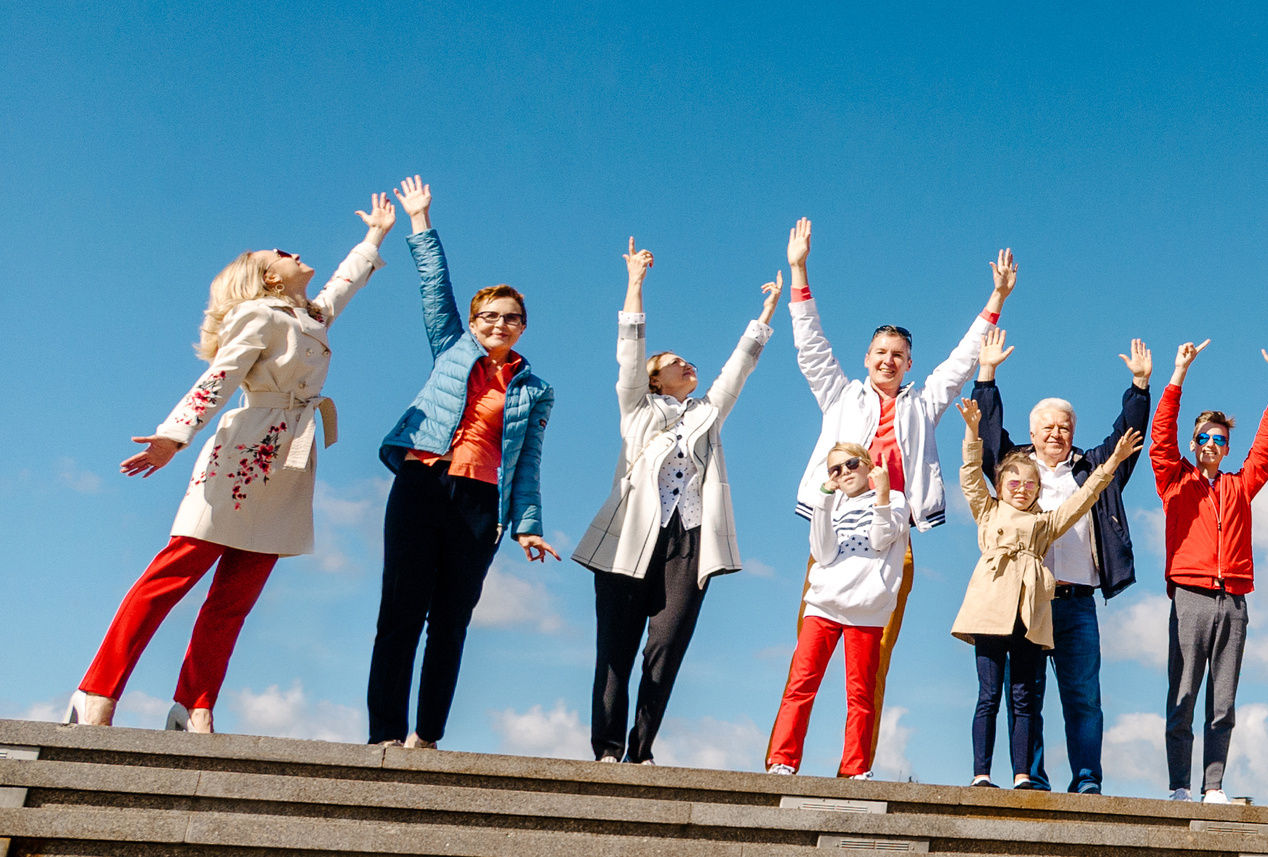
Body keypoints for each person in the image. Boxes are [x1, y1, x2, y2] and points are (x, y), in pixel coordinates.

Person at [70, 191, 398, 731]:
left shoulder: (309, 315)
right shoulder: (257, 315)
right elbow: (219, 378)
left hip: (292, 460)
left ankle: (194, 705)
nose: (286, 250)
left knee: (235, 599)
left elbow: (344, 285)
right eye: (277, 253)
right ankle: (96, 693)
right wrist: (172, 437)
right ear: (267, 279)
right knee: (169, 579)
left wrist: (373, 238)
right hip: (244, 450)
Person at [788, 222, 1011, 751]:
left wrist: (997, 296)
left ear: (909, 364)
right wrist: (799, 269)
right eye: (880, 352)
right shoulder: (841, 396)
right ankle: (784, 758)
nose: (887, 360)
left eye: (898, 355)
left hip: (892, 540)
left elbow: (960, 362)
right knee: (809, 656)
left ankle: (857, 763)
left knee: (873, 657)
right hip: (836, 538)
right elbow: (810, 346)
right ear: (867, 358)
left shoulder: (922, 404)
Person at [367, 177, 561, 750]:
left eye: (509, 317)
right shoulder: (453, 347)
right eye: (487, 316)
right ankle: (384, 734)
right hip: (422, 482)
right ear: (473, 323)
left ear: (523, 327)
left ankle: (426, 737)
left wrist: (528, 524)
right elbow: (434, 287)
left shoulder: (536, 390)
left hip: (480, 503)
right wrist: (420, 222)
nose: (497, 324)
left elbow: (527, 462)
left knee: (450, 621)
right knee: (399, 610)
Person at [569, 241, 779, 764]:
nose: (689, 365)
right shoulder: (637, 410)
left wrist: (765, 314)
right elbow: (629, 353)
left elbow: (737, 372)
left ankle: (641, 751)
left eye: (690, 362)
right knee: (615, 648)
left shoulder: (708, 415)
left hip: (687, 543)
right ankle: (609, 749)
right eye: (675, 362)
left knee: (666, 649)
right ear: (655, 377)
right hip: (628, 543)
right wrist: (635, 283)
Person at [968, 332, 1155, 794]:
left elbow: (1124, 440)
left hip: (1076, 602)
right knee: (1023, 697)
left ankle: (1087, 780)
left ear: (1074, 430)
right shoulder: (1013, 467)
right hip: (1023, 600)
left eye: (1064, 427)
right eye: (1047, 427)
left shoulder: (1092, 468)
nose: (1056, 433)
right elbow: (988, 435)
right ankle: (1029, 776)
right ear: (1032, 433)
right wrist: (986, 376)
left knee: (1083, 699)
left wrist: (1139, 387)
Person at [1150, 340, 1268, 804]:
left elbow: (1264, 452)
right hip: (1190, 594)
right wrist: (1178, 374)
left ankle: (1213, 785)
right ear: (1194, 443)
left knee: (1223, 701)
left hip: (1234, 600)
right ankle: (1180, 785)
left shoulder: (1239, 486)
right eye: (1204, 438)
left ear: (1228, 448)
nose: (1211, 445)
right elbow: (1161, 436)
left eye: (1220, 439)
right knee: (1184, 693)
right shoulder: (1174, 479)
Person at [766, 443, 910, 779]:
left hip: (866, 610)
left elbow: (880, 539)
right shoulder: (831, 504)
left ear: (867, 465)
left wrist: (884, 492)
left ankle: (855, 768)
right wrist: (824, 499)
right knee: (801, 685)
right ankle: (782, 760)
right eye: (835, 470)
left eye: (851, 464)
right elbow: (823, 552)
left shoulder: (896, 501)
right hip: (822, 606)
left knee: (860, 693)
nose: (844, 473)